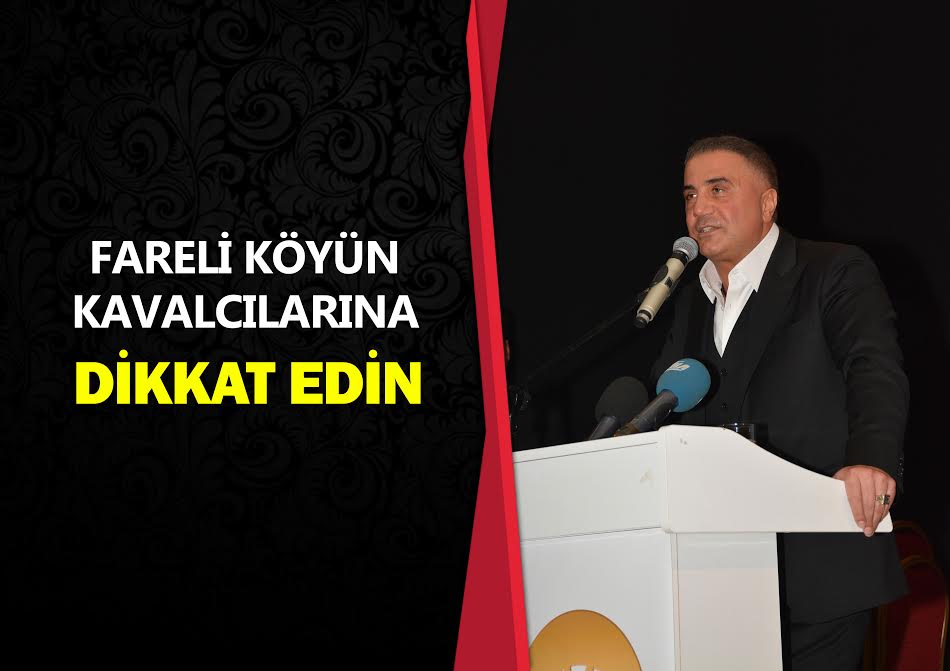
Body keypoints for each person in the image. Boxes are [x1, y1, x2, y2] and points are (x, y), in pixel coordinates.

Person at [652, 135, 908, 670]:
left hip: (819, 562)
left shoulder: (832, 269)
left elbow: (874, 369)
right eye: (690, 195)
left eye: (718, 189)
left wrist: (872, 459)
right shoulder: (691, 301)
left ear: (768, 202)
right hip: (716, 573)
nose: (699, 209)